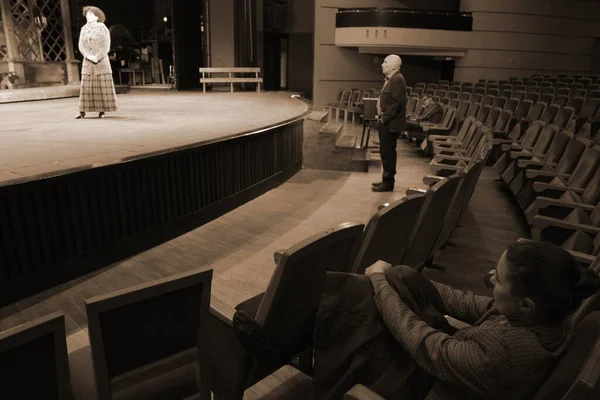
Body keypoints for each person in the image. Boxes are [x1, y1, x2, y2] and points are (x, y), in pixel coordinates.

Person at [313, 241, 600, 399]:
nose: (489, 279)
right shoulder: (546, 316)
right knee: (400, 277)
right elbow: (470, 303)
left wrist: (378, 281)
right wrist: (408, 280)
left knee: (360, 297)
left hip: (428, 387)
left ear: (525, 304)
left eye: (497, 279)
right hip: (450, 367)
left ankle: (312, 340)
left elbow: (419, 339)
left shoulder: (505, 353)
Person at [372, 55, 407, 192]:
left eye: (385, 62)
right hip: (386, 122)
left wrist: (384, 118)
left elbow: (397, 103)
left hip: (390, 124)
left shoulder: (398, 79)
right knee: (385, 152)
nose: (382, 64)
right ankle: (385, 179)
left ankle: (388, 182)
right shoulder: (391, 79)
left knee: (388, 153)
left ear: (394, 65)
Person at [76, 6, 118, 119]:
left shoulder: (103, 28)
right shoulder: (84, 29)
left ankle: (102, 110)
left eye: (90, 14)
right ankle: (82, 111)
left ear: (96, 17)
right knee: (86, 87)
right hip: (88, 61)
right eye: (87, 14)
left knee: (101, 87)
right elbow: (81, 45)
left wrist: (97, 57)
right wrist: (88, 56)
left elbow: (106, 46)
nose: (87, 16)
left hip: (101, 61)